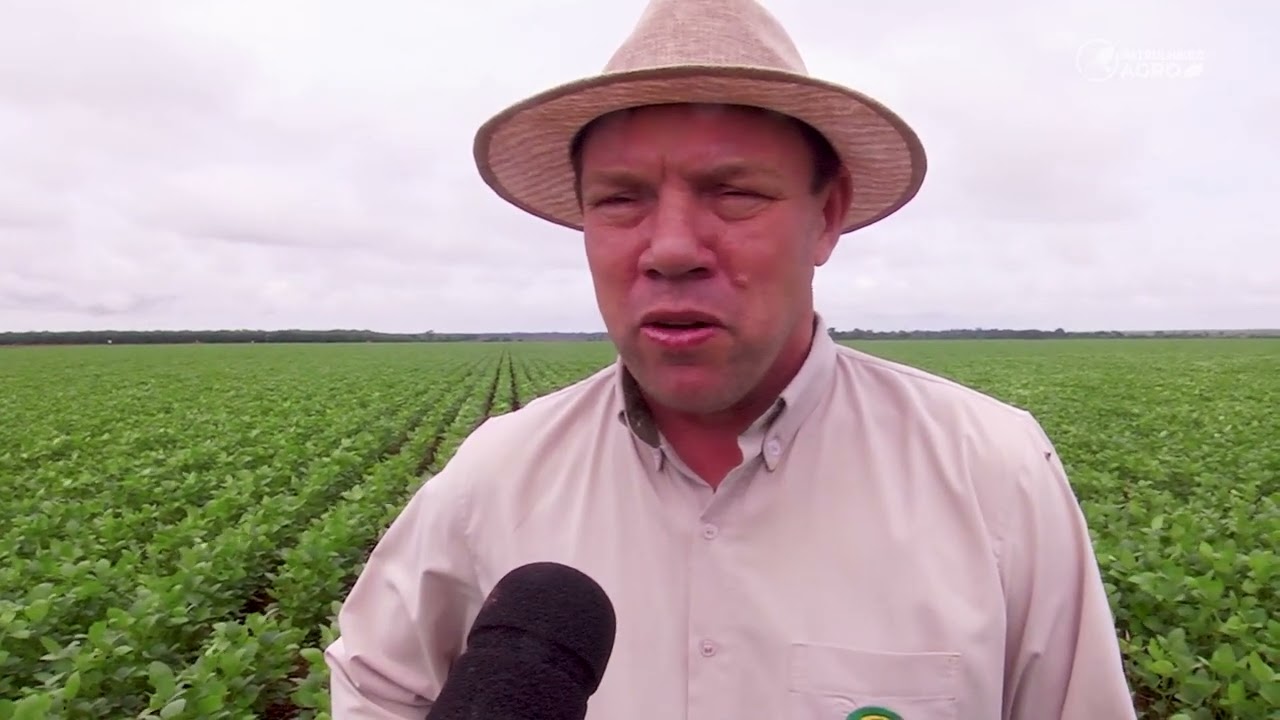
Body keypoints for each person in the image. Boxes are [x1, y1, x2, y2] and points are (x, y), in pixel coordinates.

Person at [324, 0, 1138, 718]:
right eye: (620, 199)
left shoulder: (994, 474)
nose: (671, 249)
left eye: (735, 192)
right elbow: (377, 686)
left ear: (827, 218)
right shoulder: (493, 477)